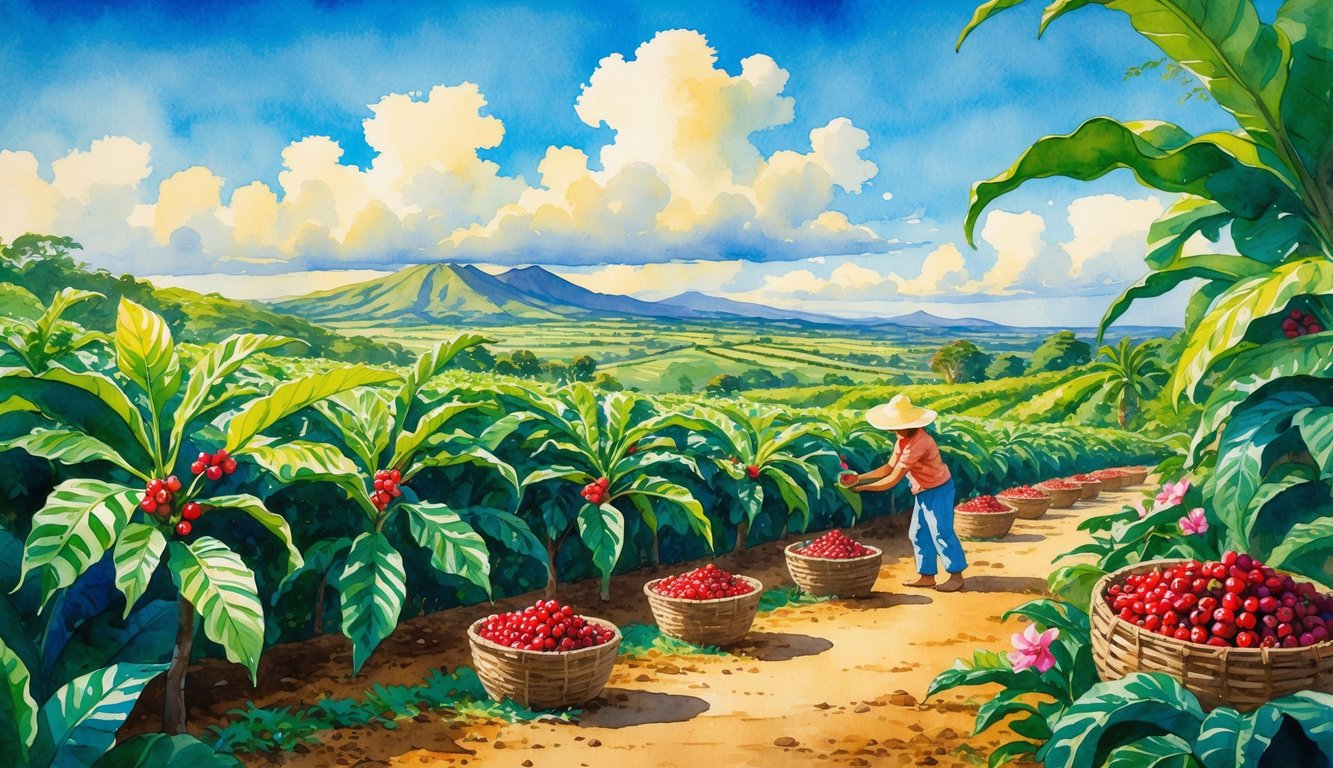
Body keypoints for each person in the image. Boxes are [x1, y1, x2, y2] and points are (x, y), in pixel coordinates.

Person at [841, 394, 967, 592]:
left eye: (897, 425)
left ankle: (956, 575)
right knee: (918, 532)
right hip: (923, 490)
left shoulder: (919, 442)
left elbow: (893, 478)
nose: (893, 430)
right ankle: (927, 576)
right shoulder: (902, 440)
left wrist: (861, 488)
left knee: (941, 532)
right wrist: (859, 478)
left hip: (939, 489)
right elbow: (888, 467)